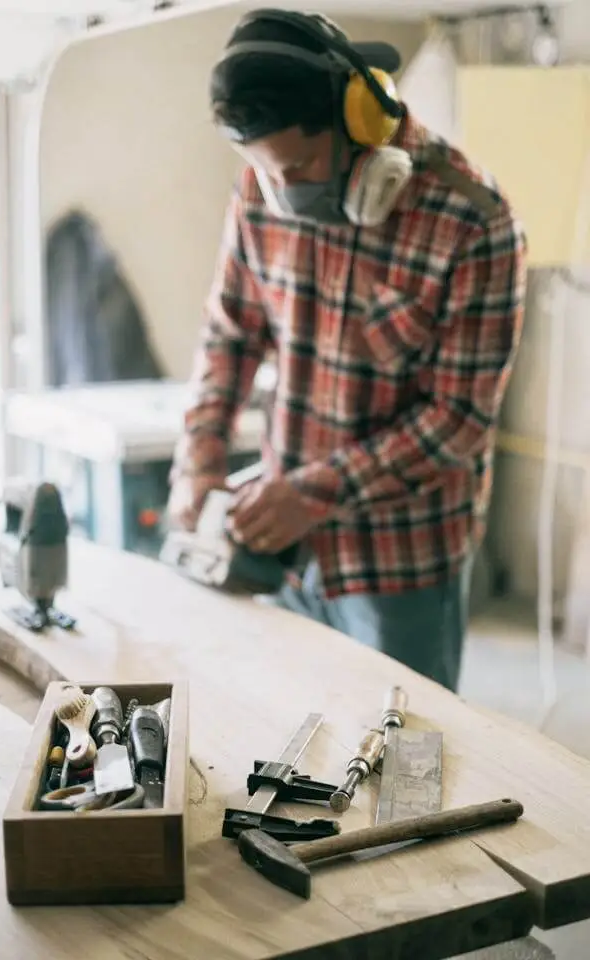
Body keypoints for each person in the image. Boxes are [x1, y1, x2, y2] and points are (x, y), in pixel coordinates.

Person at [167, 9, 527, 691]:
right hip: (285, 544)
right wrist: (199, 460)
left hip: (401, 563)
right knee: (289, 740)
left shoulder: (474, 220)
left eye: (299, 165)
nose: (282, 192)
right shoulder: (260, 187)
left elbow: (458, 418)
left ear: (360, 118)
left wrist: (317, 491)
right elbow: (230, 333)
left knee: (407, 762)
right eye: (264, 170)